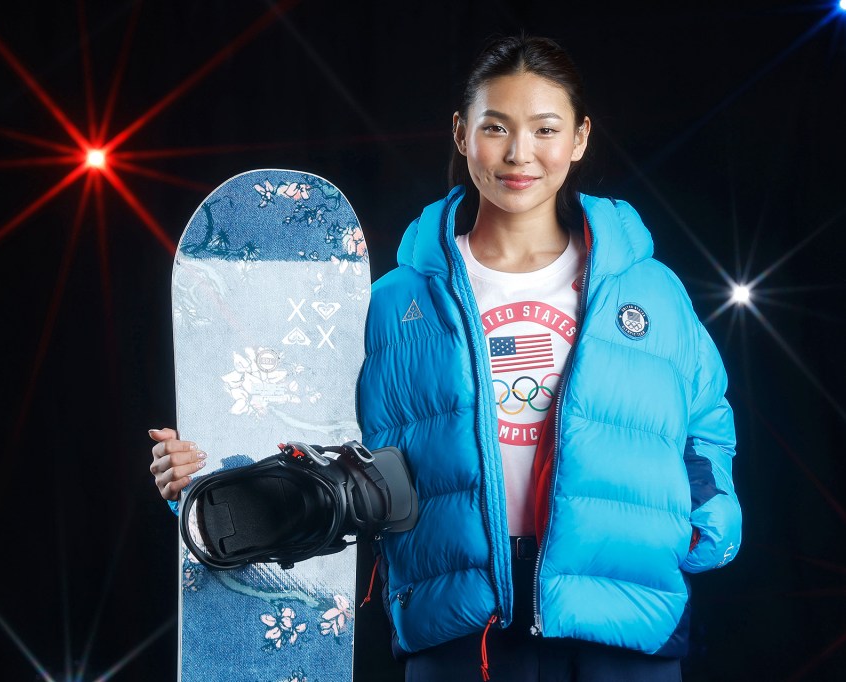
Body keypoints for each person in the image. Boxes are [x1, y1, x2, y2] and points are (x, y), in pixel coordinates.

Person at [151, 34, 741, 682]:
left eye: (545, 129)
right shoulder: (393, 302)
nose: (520, 153)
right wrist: (207, 480)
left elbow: (705, 412)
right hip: (458, 626)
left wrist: (708, 517)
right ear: (462, 134)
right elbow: (315, 443)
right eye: (496, 127)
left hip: (623, 617)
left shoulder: (647, 288)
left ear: (578, 138)